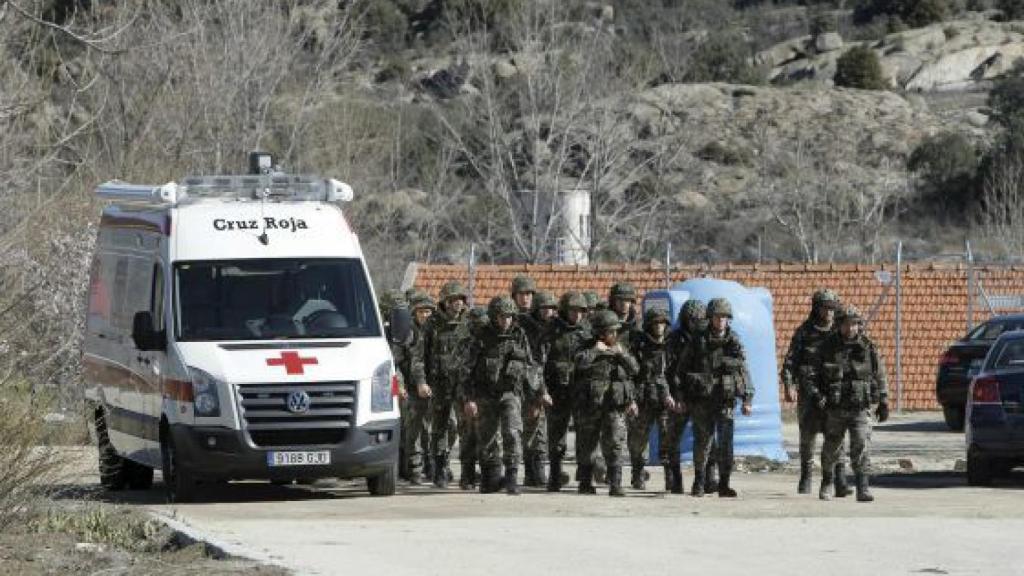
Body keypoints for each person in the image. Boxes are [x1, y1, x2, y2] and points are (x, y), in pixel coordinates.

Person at [676, 298, 753, 497]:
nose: (721, 321)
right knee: (703, 442)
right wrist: (681, 397)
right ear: (710, 318)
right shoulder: (697, 340)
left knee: (726, 444)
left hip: (725, 400)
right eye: (718, 317)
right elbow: (682, 370)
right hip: (702, 400)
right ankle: (699, 481)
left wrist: (747, 398)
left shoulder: (733, 341)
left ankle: (724, 483)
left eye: (725, 318)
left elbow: (743, 371)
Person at [816, 304, 889, 502]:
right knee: (831, 448)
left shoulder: (867, 347)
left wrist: (883, 399)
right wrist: (818, 397)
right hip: (835, 408)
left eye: (855, 324)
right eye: (847, 324)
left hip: (860, 407)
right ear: (839, 325)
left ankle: (863, 488)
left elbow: (879, 374)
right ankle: (827, 483)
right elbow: (814, 376)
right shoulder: (827, 347)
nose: (851, 329)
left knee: (862, 446)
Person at [781, 288, 848, 496]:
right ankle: (806, 477)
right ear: (817, 309)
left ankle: (839, 479)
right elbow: (790, 361)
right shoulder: (804, 332)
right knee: (808, 437)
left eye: (832, 308)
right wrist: (789, 385)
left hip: (835, 392)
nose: (829, 312)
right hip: (809, 393)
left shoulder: (841, 331)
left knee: (836, 436)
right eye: (825, 308)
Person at [464, 296, 533, 495]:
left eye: (510, 317)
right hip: (485, 394)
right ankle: (490, 477)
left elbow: (530, 365)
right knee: (487, 438)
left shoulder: (519, 335)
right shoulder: (481, 336)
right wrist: (469, 398)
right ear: (494, 317)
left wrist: (537, 393)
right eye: (502, 317)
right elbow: (466, 370)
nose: (506, 321)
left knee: (512, 432)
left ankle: (512, 477)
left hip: (510, 393)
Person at [412, 281, 474, 489]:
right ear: (445, 302)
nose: (457, 303)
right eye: (453, 299)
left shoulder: (470, 322)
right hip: (439, 385)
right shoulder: (432, 324)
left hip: (464, 385)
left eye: (460, 299)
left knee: (465, 428)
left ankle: (467, 472)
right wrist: (421, 382)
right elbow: (419, 356)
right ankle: (439, 469)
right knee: (438, 429)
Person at [573, 310, 639, 497]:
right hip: (590, 404)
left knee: (616, 443)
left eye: (615, 331)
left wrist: (622, 355)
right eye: (611, 332)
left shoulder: (621, 348)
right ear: (600, 333)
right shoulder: (586, 347)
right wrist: (596, 350)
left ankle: (615, 484)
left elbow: (634, 369)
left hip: (614, 405)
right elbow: (578, 363)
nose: (614, 335)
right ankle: (585, 483)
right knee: (587, 444)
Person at [662, 299, 716, 494]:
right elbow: (666, 371)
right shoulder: (674, 340)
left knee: (707, 440)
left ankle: (707, 479)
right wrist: (673, 396)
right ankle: (676, 480)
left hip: (702, 398)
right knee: (672, 439)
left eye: (699, 319)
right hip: (679, 397)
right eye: (691, 319)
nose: (695, 323)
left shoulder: (708, 339)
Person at [543, 291, 591, 492]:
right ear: (564, 310)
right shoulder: (551, 331)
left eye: (581, 311)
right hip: (557, 392)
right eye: (573, 311)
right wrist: (543, 390)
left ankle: (585, 480)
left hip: (581, 392)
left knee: (585, 437)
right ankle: (554, 477)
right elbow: (540, 362)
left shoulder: (588, 331)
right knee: (556, 437)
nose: (577, 315)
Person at [511, 276, 553, 487]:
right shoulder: (511, 318)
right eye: (522, 294)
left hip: (537, 380)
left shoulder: (540, 321)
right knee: (516, 429)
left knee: (537, 430)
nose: (526, 298)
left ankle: (536, 472)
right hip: (517, 381)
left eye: (529, 294)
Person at [627, 307, 676, 490]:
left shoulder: (670, 346)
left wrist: (673, 395)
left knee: (667, 439)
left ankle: (670, 478)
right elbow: (630, 375)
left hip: (664, 401)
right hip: (643, 399)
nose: (659, 326)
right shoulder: (639, 346)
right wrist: (631, 399)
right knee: (638, 441)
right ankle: (637, 475)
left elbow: (674, 374)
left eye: (662, 323)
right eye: (655, 323)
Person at [400, 292, 436, 485]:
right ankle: (414, 467)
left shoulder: (437, 331)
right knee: (414, 426)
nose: (425, 315)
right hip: (411, 385)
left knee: (438, 427)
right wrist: (400, 384)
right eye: (422, 311)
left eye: (428, 311)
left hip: (435, 386)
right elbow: (396, 362)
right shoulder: (407, 333)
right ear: (414, 313)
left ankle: (432, 464)